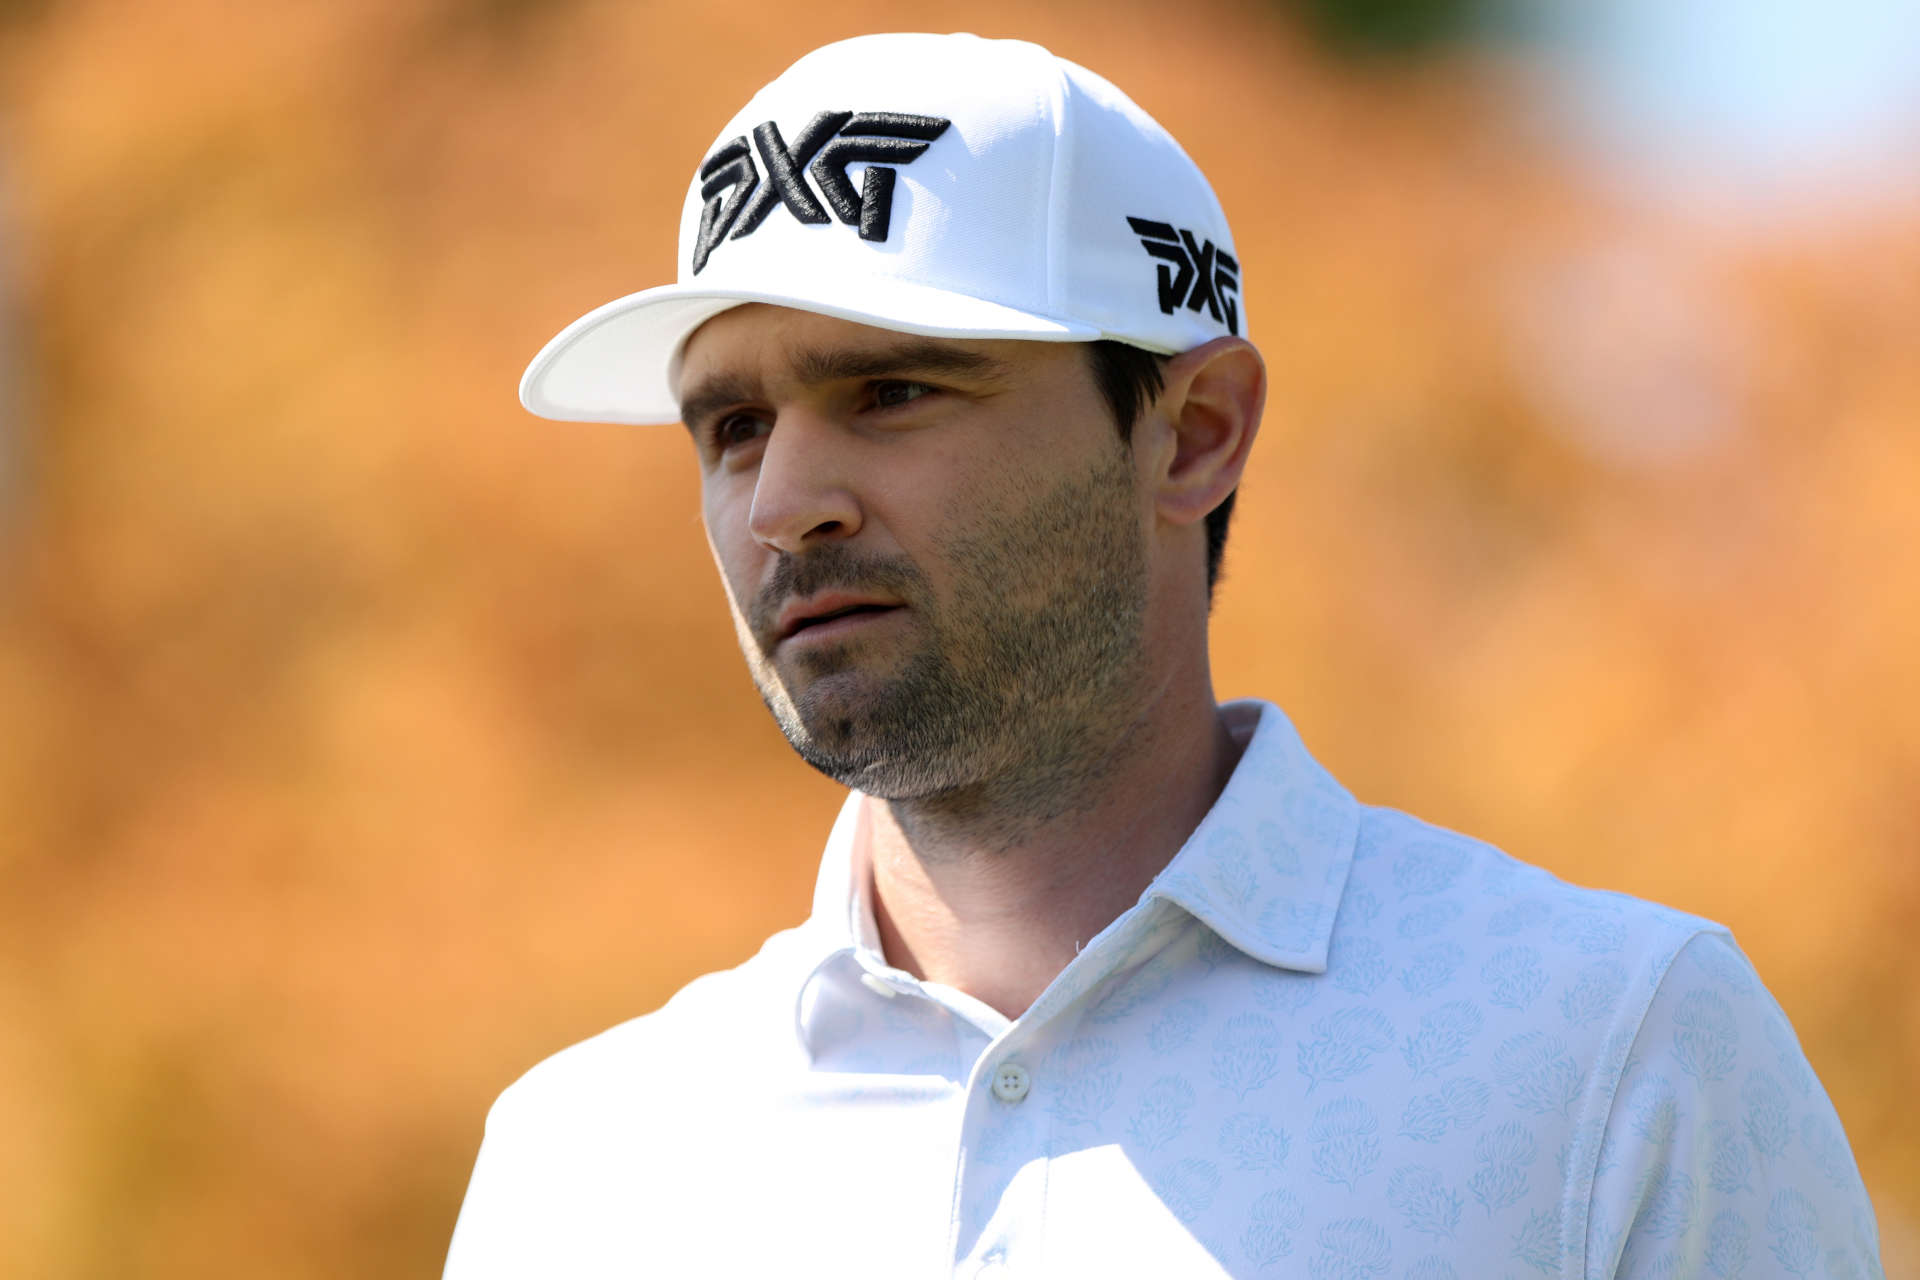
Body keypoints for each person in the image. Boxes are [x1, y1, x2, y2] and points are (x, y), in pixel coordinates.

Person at [444, 32, 1883, 1279]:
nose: (780, 504)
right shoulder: (581, 1163)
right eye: (730, 427)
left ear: (1192, 435)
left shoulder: (1611, 1052)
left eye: (891, 389)